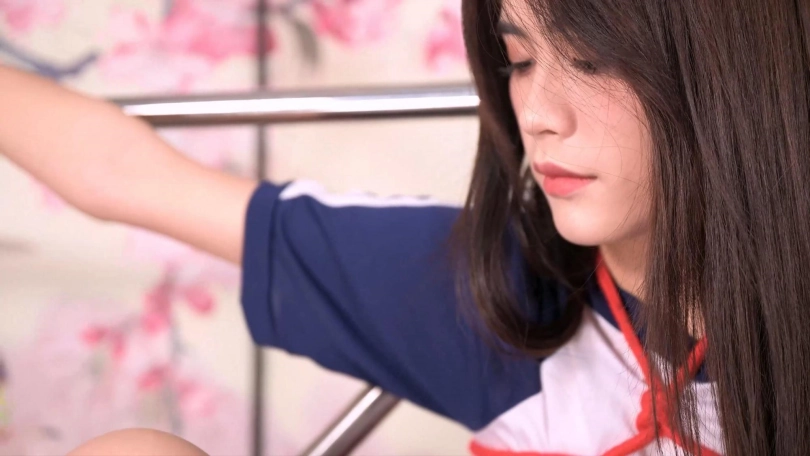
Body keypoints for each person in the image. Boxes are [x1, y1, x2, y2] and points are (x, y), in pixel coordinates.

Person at [1, 0, 808, 454]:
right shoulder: (501, 299)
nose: (538, 113)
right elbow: (127, 177)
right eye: (520, 60)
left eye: (594, 62)